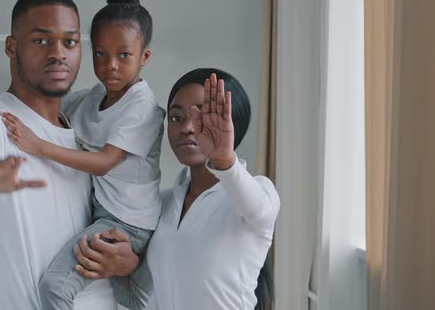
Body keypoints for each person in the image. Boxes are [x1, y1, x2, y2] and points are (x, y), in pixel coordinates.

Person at [0, 0, 138, 310]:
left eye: (69, 42)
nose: (58, 53)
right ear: (12, 47)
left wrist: (127, 261)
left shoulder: (84, 128)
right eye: (41, 40)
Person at [74, 69, 281, 310]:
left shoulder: (258, 192)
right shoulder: (162, 203)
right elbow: (150, 290)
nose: (187, 127)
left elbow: (261, 212)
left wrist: (224, 161)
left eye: (203, 116)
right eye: (176, 117)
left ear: (232, 124)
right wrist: (130, 262)